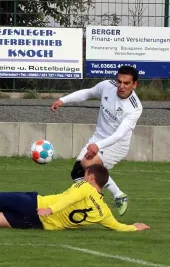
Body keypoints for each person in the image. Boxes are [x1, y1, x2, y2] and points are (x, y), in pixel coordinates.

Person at [0, 164, 149, 232]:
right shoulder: (104, 212)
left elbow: (67, 201)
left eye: (85, 173)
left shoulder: (85, 187)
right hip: (38, 224)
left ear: (91, 178)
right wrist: (136, 227)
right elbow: (119, 227)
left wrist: (50, 209)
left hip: (35, 204)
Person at [50, 65, 143, 217]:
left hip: (116, 145)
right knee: (77, 174)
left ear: (135, 84)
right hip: (98, 138)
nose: (121, 86)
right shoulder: (106, 86)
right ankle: (115, 196)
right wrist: (63, 100)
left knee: (86, 164)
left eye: (126, 83)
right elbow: (88, 93)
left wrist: (97, 146)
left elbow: (119, 135)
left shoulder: (135, 108)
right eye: (119, 81)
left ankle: (96, 203)